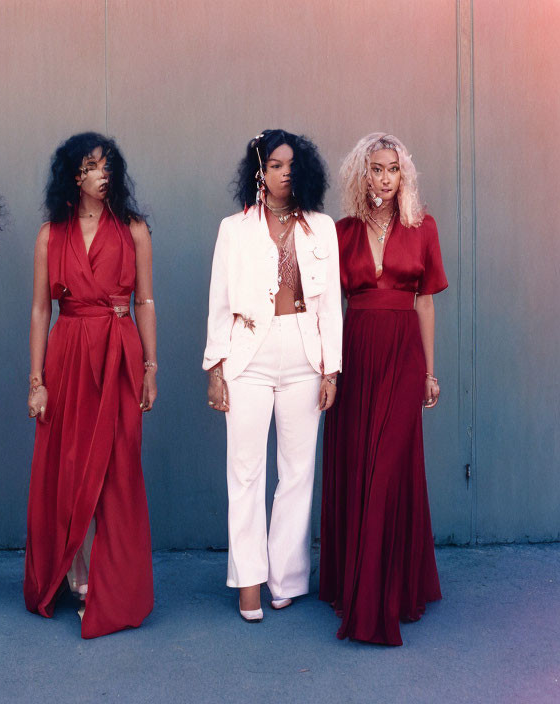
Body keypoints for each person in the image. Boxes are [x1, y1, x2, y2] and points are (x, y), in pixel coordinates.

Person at [204, 130, 342, 622]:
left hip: (304, 353)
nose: (286, 172)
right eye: (276, 164)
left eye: (292, 165)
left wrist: (331, 367)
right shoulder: (234, 228)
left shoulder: (321, 227)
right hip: (249, 355)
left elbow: (332, 306)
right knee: (244, 471)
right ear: (259, 171)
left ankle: (285, 578)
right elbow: (219, 303)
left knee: (298, 471)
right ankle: (249, 581)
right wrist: (216, 369)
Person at [24, 132, 157, 638]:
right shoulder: (49, 235)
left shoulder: (134, 230)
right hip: (68, 353)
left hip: (119, 352)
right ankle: (77, 581)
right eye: (92, 166)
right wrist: (36, 381)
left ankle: (111, 587)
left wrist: (150, 366)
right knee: (71, 466)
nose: (104, 174)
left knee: (118, 469)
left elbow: (144, 301)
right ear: (73, 175)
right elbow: (40, 309)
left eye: (108, 165)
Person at [319, 133, 447, 646]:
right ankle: (355, 585)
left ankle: (382, 594)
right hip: (355, 357)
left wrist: (430, 372)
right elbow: (329, 306)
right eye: (376, 169)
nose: (385, 178)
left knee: (389, 467)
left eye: (393, 169)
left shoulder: (423, 227)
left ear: (404, 175)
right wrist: (329, 368)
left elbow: (425, 304)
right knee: (357, 463)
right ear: (362, 174)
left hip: (402, 357)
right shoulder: (341, 232)